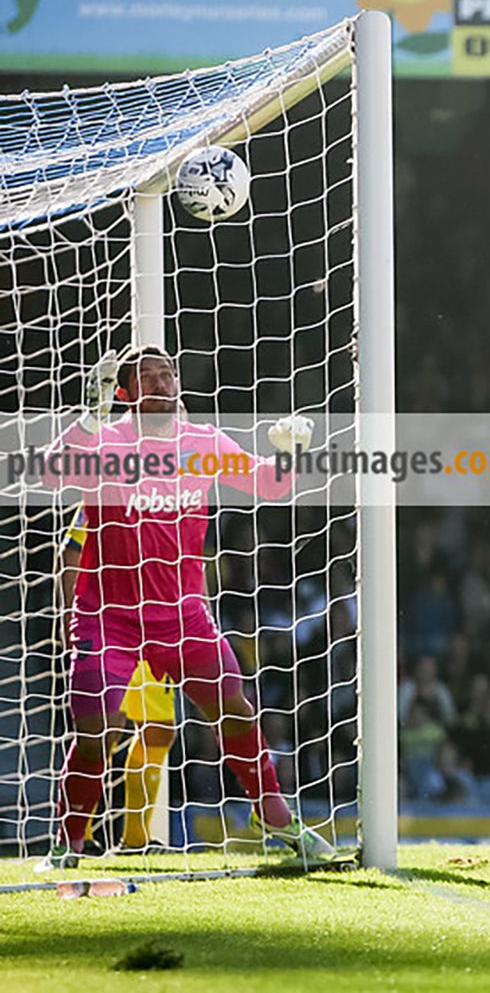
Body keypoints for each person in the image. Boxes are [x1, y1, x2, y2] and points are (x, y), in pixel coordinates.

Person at [37, 345, 332, 870]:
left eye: (167, 374)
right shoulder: (106, 443)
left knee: (235, 708)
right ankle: (69, 841)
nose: (162, 384)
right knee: (98, 728)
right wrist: (87, 416)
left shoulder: (203, 442)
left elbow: (272, 485)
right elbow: (51, 476)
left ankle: (273, 815)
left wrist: (292, 451)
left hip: (183, 615)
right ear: (124, 393)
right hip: (110, 617)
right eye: (147, 377)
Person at [59, 507, 178, 853]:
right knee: (103, 729)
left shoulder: (169, 500)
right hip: (108, 626)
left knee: (159, 728)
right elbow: (70, 552)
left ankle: (135, 839)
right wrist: (70, 615)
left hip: (157, 625)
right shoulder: (101, 496)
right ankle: (81, 834)